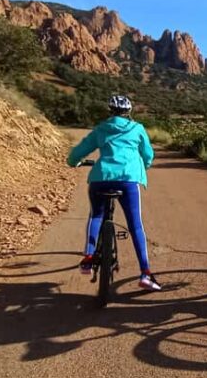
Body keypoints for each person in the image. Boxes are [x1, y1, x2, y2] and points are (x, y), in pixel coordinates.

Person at [66, 95, 161, 291]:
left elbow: (78, 152)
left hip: (100, 179)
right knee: (135, 225)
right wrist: (145, 165)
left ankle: (88, 258)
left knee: (96, 216)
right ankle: (146, 273)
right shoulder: (137, 129)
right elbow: (148, 155)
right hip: (128, 180)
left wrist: (74, 162)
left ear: (110, 111)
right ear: (129, 112)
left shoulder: (101, 128)